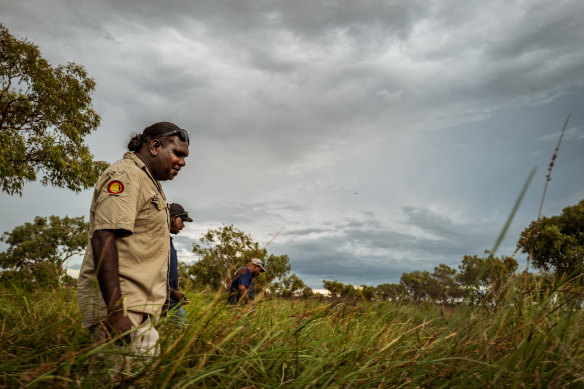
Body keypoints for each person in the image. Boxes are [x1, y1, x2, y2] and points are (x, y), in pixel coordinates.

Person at [77, 121, 190, 358]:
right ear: (155, 146)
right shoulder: (126, 175)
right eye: (178, 153)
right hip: (122, 308)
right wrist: (117, 310)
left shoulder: (150, 182)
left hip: (136, 308)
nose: (182, 162)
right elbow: (103, 237)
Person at [167, 202, 193, 325]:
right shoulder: (159, 240)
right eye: (182, 221)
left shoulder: (168, 240)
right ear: (174, 218)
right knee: (182, 330)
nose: (183, 226)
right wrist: (172, 292)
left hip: (170, 296)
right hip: (166, 296)